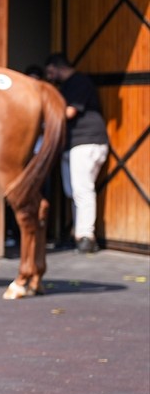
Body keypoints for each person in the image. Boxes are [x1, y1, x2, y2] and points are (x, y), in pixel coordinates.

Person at [44, 54, 109, 254]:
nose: (49, 76)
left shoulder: (78, 82)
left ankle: (86, 237)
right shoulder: (69, 85)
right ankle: (78, 234)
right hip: (75, 144)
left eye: (49, 72)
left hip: (86, 142)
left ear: (56, 67)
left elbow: (69, 112)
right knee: (73, 191)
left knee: (82, 190)